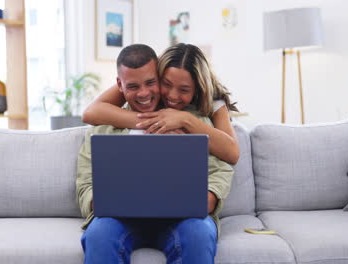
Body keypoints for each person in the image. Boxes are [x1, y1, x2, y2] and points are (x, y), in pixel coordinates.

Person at [76, 44, 233, 264]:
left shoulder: (196, 123)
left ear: (159, 77)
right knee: (99, 235)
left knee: (198, 233)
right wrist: (102, 201)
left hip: (183, 220)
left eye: (151, 82)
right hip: (120, 220)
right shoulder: (103, 127)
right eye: (133, 86)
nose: (144, 93)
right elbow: (85, 185)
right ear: (120, 85)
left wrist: (208, 198)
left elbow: (222, 167)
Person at [82, 43, 240, 165]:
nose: (172, 95)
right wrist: (157, 122)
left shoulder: (213, 100)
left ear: (198, 89)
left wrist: (185, 119)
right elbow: (90, 112)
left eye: (184, 90)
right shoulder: (140, 81)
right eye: (166, 83)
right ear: (158, 74)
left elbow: (232, 154)